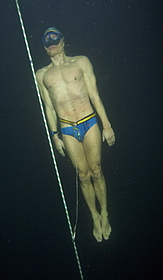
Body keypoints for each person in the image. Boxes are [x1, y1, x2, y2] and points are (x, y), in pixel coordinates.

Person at [36, 27, 115, 242]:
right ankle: (94, 216)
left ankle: (105, 213)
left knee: (96, 170)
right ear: (44, 47)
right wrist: (54, 136)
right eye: (47, 40)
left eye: (55, 38)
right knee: (83, 174)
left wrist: (107, 125)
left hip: (89, 121)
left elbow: (95, 95)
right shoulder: (41, 75)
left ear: (63, 41)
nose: (51, 42)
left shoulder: (81, 62)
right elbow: (49, 108)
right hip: (66, 127)